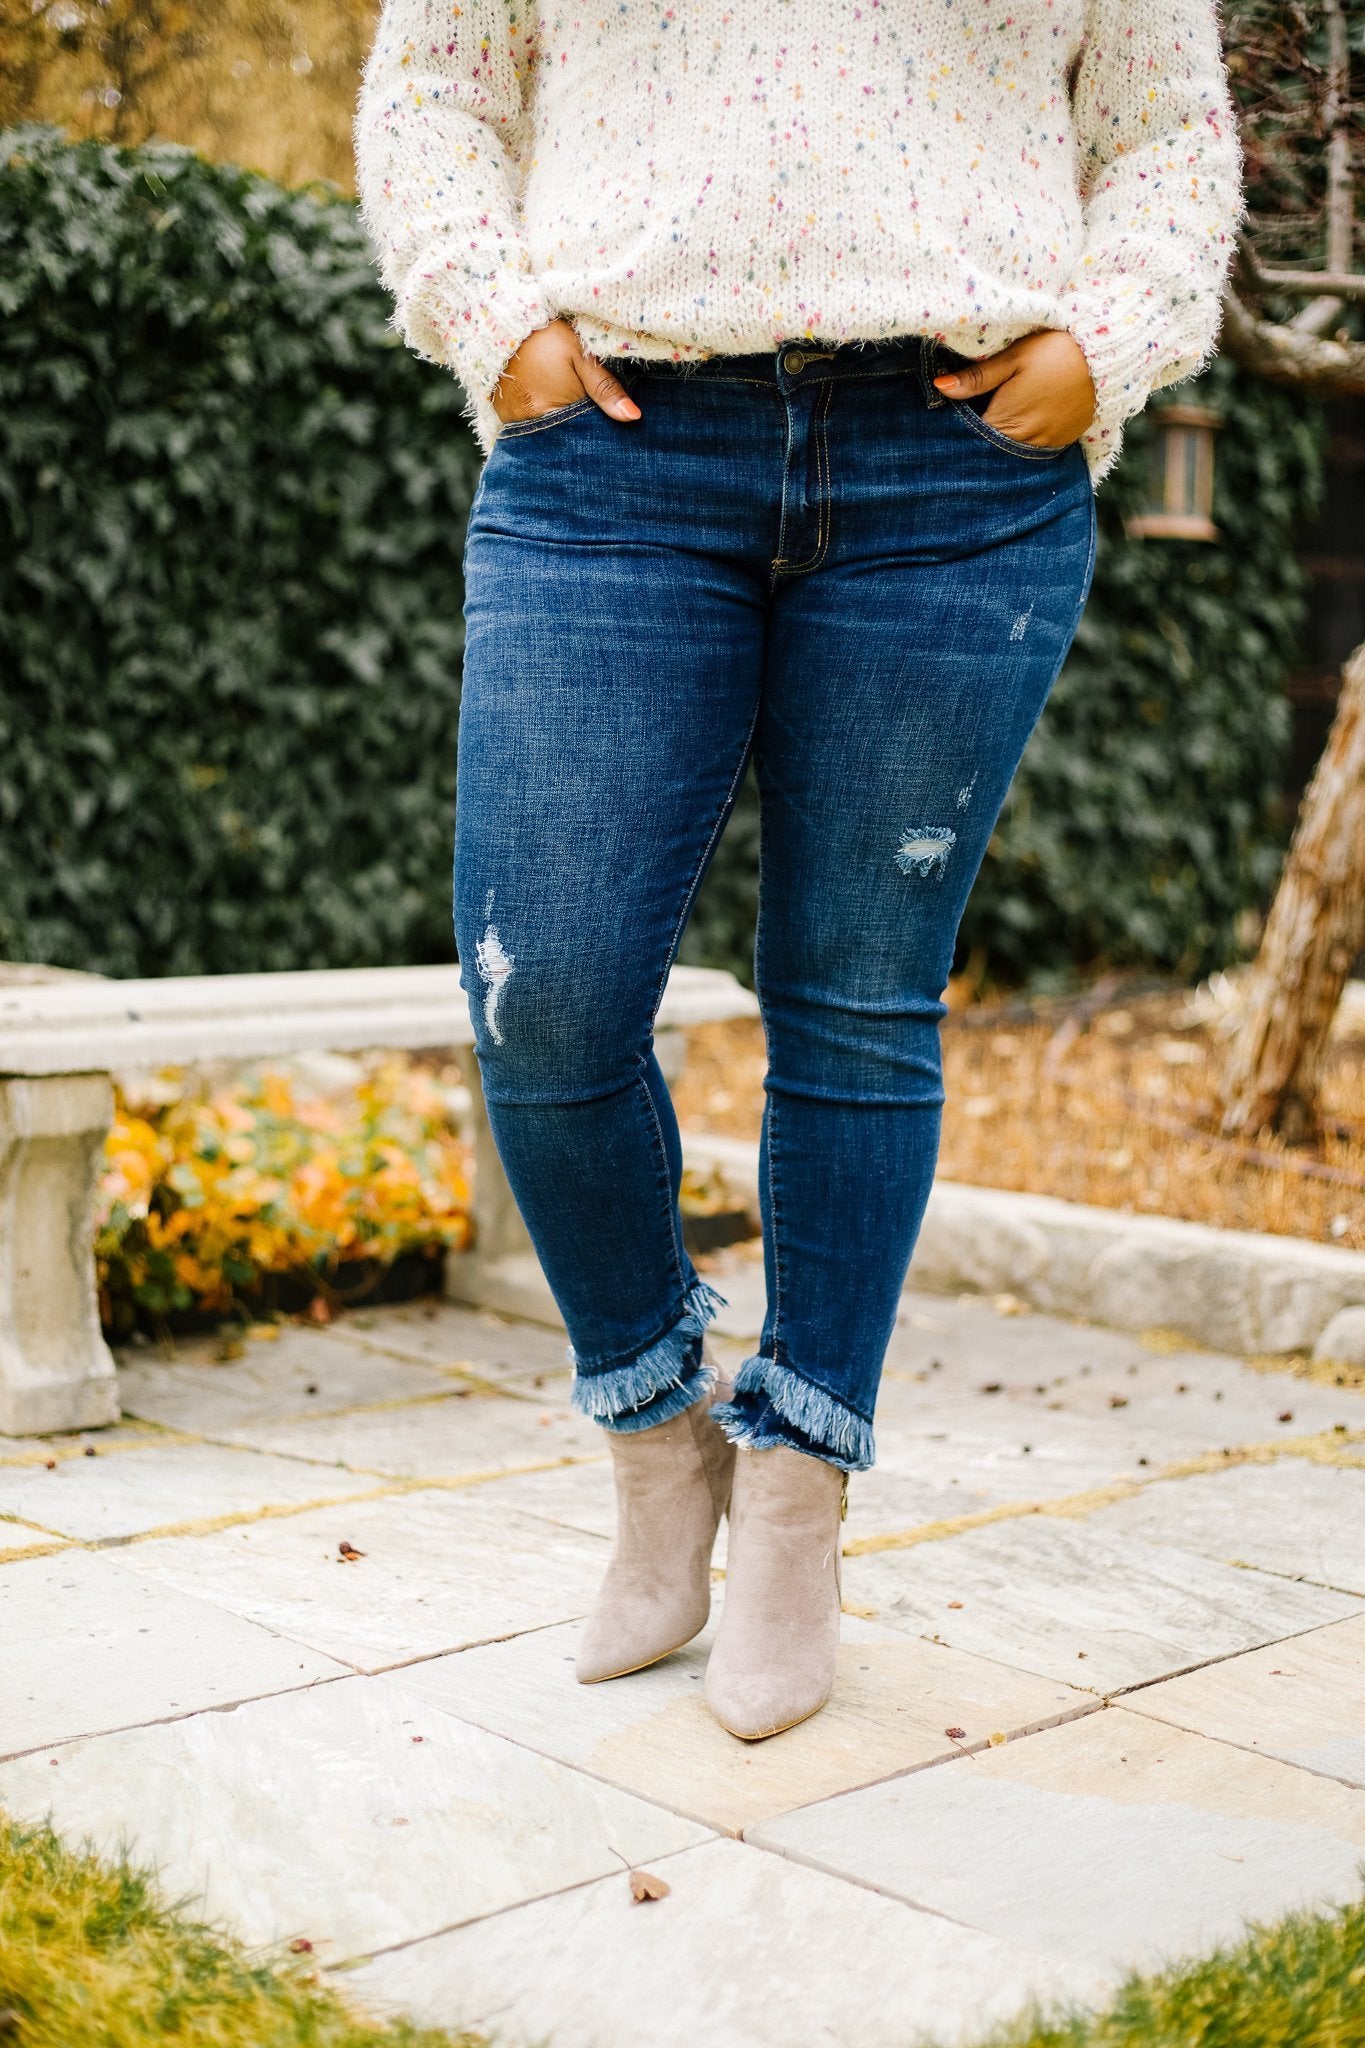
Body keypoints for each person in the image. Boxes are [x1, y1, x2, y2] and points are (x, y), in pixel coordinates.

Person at [356, 1, 1241, 1742]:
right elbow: (434, 90)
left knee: (855, 998)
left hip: (957, 458)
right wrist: (495, 324)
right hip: (612, 452)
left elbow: (1167, 135)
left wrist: (1108, 341)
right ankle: (656, 1441)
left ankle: (794, 1496)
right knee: (544, 1001)